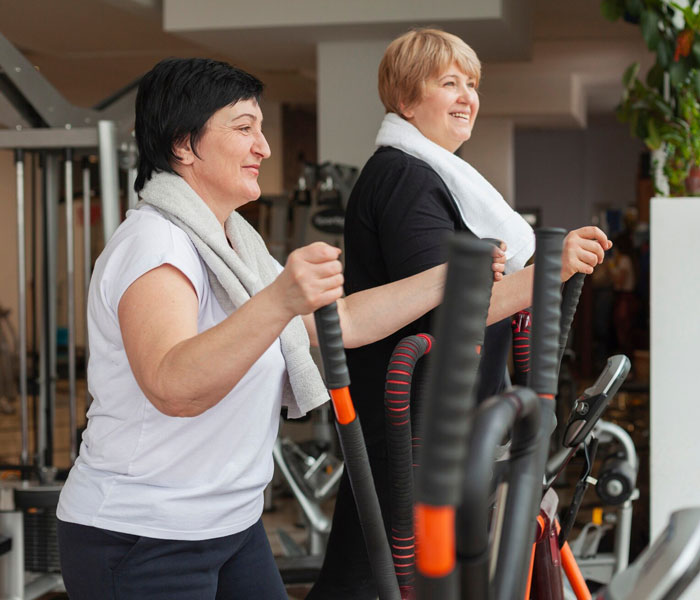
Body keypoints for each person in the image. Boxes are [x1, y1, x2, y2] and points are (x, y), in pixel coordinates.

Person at [54, 57, 462, 600]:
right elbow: (173, 385)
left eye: (261, 129)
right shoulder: (156, 244)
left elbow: (343, 320)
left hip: (233, 526)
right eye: (244, 128)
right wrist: (279, 299)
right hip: (143, 536)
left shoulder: (236, 246)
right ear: (183, 144)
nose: (264, 148)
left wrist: (452, 277)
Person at [307, 28, 612, 599]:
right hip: (413, 425)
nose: (467, 96)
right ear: (406, 98)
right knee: (377, 578)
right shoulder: (404, 177)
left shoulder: (439, 176)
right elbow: (450, 307)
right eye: (449, 83)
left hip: (449, 423)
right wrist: (553, 267)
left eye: (472, 84)